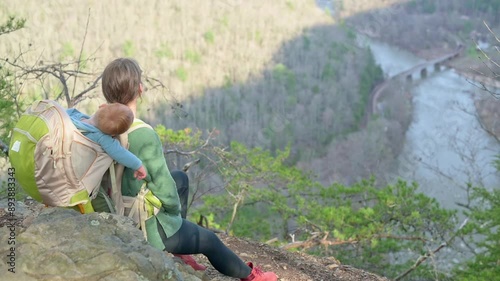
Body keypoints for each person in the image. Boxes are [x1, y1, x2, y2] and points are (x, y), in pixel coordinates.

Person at [98, 57, 277, 281]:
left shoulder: (100, 125)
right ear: (140, 90)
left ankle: (179, 250)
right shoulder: (142, 134)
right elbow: (165, 190)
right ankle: (251, 277)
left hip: (116, 208)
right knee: (209, 240)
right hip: (144, 227)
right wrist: (175, 219)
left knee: (180, 178)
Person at [67, 103, 147, 180]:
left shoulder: (72, 115)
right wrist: (138, 166)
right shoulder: (102, 138)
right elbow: (120, 153)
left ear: (102, 106)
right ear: (113, 134)